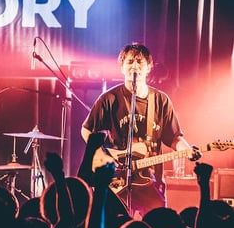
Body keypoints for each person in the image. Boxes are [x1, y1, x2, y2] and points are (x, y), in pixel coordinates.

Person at [80, 42, 197, 216]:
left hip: (150, 178)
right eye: (129, 62)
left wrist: (187, 151)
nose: (134, 66)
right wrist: (101, 155)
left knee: (157, 223)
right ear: (122, 67)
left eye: (140, 62)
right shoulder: (109, 99)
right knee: (114, 224)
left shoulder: (161, 101)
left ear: (149, 67)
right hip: (116, 178)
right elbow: (87, 130)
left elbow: (174, 137)